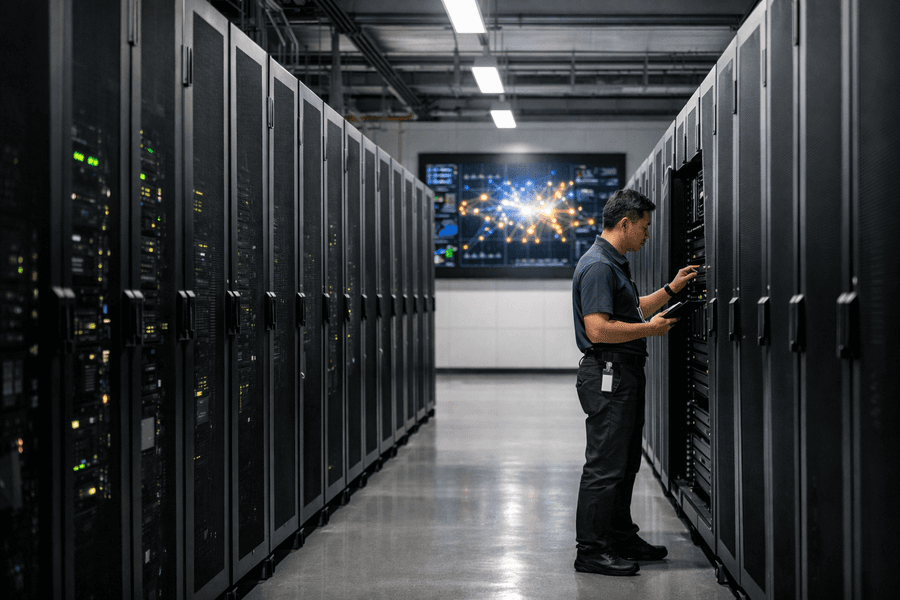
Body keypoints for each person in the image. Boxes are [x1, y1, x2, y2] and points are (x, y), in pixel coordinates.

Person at [571, 188, 698, 576]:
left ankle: (620, 536)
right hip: (609, 374)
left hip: (623, 373)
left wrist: (672, 289)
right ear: (624, 223)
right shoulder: (598, 266)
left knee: (624, 463)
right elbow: (598, 329)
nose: (647, 234)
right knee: (605, 465)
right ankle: (591, 550)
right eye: (644, 227)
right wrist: (650, 330)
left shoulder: (612, 264)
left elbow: (632, 309)